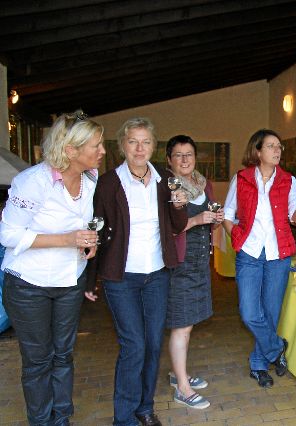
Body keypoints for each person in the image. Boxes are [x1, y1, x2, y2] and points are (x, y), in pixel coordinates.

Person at [0, 111, 104, 425]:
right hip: (29, 285)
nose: (102, 151)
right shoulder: (33, 181)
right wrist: (67, 239)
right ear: (71, 150)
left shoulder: (90, 178)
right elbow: (7, 235)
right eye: (96, 145)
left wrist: (89, 241)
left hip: (69, 281)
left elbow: (83, 224)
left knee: (63, 354)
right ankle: (41, 421)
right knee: (38, 360)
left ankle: (61, 418)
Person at [85, 118, 187, 426]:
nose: (139, 148)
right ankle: (124, 418)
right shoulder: (108, 184)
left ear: (153, 146)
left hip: (157, 274)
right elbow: (95, 231)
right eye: (133, 141)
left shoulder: (165, 180)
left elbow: (178, 225)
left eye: (146, 142)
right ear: (122, 146)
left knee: (153, 344)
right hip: (122, 277)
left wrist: (179, 205)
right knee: (134, 346)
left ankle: (145, 407)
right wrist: (90, 279)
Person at [223, 129, 296, 388]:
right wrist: (237, 238)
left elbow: (295, 218)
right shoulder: (241, 178)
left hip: (278, 254)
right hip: (249, 253)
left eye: (279, 146)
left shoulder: (288, 180)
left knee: (271, 312)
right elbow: (228, 214)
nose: (277, 150)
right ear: (258, 151)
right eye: (271, 146)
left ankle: (259, 364)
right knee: (249, 312)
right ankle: (276, 347)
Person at [165, 135, 223, 409]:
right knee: (182, 325)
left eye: (189, 154)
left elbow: (208, 221)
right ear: (169, 160)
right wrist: (198, 219)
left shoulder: (203, 184)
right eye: (178, 155)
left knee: (187, 324)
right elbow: (166, 228)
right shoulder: (168, 188)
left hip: (199, 262)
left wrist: (215, 220)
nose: (185, 159)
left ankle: (178, 374)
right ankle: (182, 387)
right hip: (179, 263)